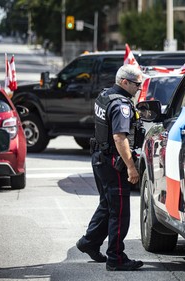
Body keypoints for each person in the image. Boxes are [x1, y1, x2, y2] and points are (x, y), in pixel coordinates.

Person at [76, 64, 145, 271]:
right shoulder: (121, 105)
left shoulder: (105, 95)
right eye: (137, 84)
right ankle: (116, 257)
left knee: (107, 205)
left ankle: (89, 242)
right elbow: (119, 137)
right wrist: (131, 168)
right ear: (124, 82)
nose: (139, 88)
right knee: (119, 210)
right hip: (113, 162)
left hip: (99, 157)